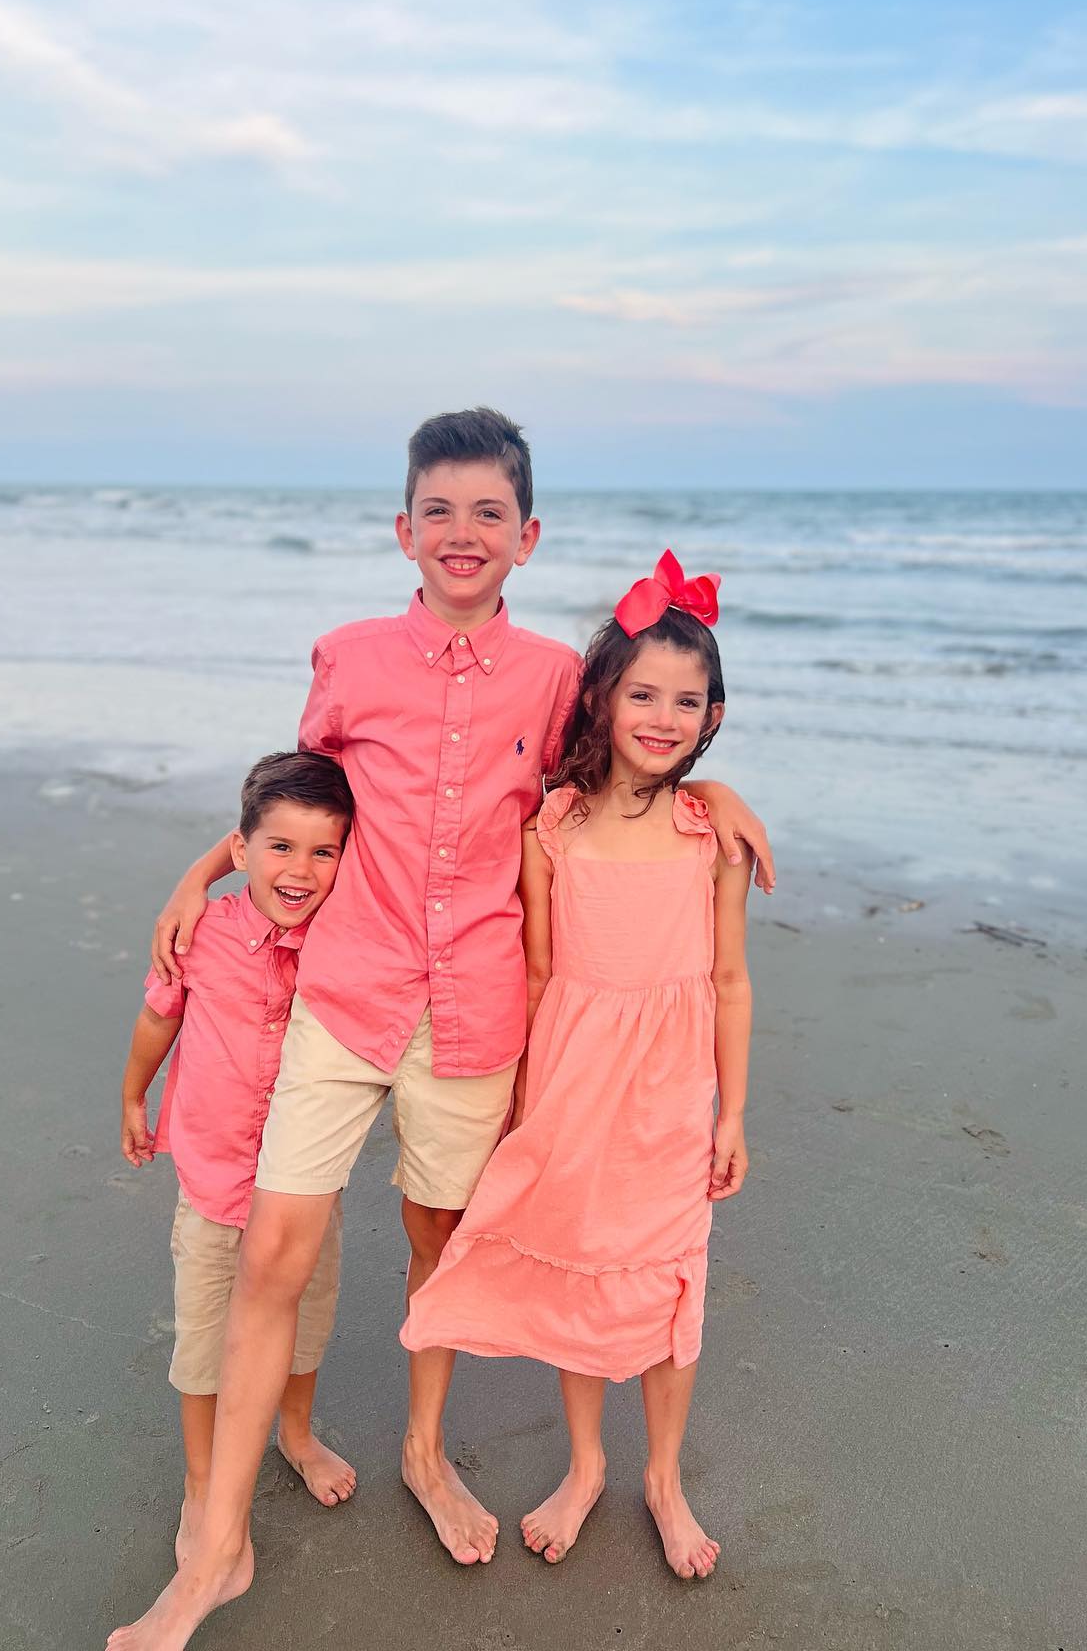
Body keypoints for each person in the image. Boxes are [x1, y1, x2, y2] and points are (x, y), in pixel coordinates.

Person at [108, 411, 773, 1650]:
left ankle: (423, 1451)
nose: (461, 535)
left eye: (487, 515)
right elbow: (294, 807)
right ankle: (217, 1547)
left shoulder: (557, 681)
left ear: (527, 539)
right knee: (271, 1255)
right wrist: (203, 868)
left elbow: (621, 777)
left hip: (475, 1016)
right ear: (402, 530)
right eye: (438, 512)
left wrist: (718, 788)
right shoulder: (349, 658)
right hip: (345, 997)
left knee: (439, 1250)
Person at [401, 551, 753, 1581]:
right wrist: (522, 1102)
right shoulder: (552, 824)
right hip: (573, 1082)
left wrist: (733, 1114)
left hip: (673, 1093)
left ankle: (664, 1479)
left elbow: (731, 982)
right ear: (602, 698)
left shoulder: (709, 834)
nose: (663, 716)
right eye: (643, 692)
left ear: (714, 719)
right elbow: (542, 971)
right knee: (583, 1271)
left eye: (687, 701)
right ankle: (589, 1464)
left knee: (665, 1278)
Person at [118, 751, 357, 1566]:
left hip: (302, 1190)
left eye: (324, 851)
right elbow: (159, 1021)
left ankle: (295, 1433)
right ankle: (200, 1484)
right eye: (280, 847)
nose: (300, 869)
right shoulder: (204, 931)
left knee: (304, 1325)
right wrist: (132, 1097)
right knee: (203, 1344)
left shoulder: (345, 940)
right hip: (217, 1186)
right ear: (241, 849)